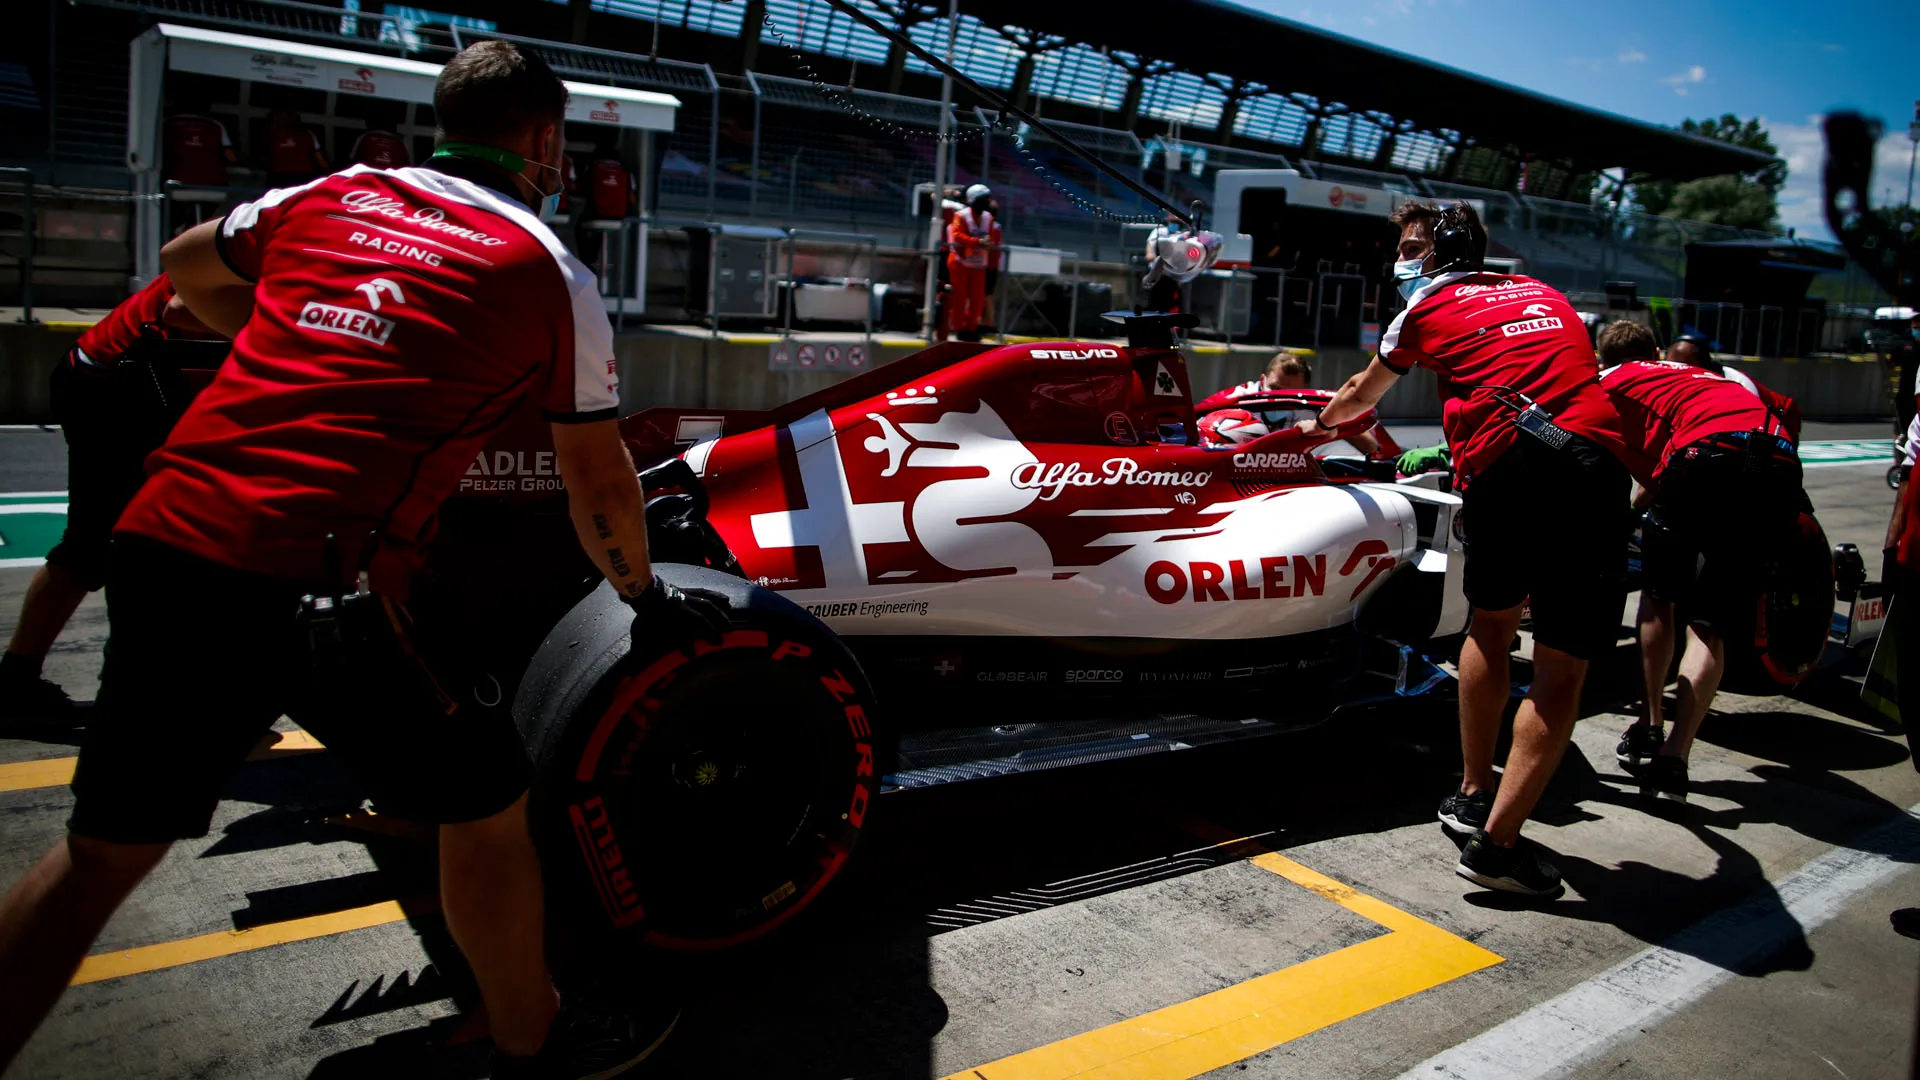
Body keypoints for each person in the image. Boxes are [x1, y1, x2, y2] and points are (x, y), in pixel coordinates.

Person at [0, 41, 721, 1078]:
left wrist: (294, 341)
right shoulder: (547, 269)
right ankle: (533, 1033)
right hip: (320, 582)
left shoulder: (333, 191)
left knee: (99, 854)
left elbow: (185, 265)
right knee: (484, 804)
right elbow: (598, 477)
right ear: (547, 140)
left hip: (164, 540)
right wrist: (640, 592)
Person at [1300, 200, 1632, 899]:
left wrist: (1318, 425)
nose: (1405, 260)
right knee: (1558, 664)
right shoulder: (1546, 293)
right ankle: (1490, 826)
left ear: (1436, 255)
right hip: (1581, 462)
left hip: (1506, 467)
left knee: (1496, 626)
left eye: (1413, 248)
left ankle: (1482, 811)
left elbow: (1361, 395)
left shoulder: (1419, 309)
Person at [0, 275, 223, 728]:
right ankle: (18, 682)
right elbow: (178, 310)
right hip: (114, 383)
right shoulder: (293, 244)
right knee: (95, 544)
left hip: (168, 386)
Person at [1597, 321, 1802, 801]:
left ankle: (1650, 721)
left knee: (1660, 597)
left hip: (1706, 454)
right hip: (1779, 464)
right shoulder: (1711, 379)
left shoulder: (1614, 376)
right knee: (1710, 623)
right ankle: (1675, 757)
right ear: (1658, 350)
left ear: (1606, 358)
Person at [1203, 353, 1385, 458]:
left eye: (1288, 392)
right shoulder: (1235, 400)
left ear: (1304, 389)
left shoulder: (1308, 406)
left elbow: (1350, 427)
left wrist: (1379, 457)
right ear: (1262, 380)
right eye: (1274, 388)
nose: (1278, 396)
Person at [945, 183, 1000, 342]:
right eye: (984, 199)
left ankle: (971, 327)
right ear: (973, 200)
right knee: (960, 298)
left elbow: (991, 236)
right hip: (960, 263)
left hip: (978, 264)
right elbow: (957, 235)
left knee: (977, 299)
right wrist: (977, 242)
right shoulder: (961, 216)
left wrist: (987, 242)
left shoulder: (988, 218)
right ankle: (960, 328)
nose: (987, 203)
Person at [263, 107, 328, 187]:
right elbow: (321, 160)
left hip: (282, 176)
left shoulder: (271, 134)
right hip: (299, 176)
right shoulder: (307, 134)